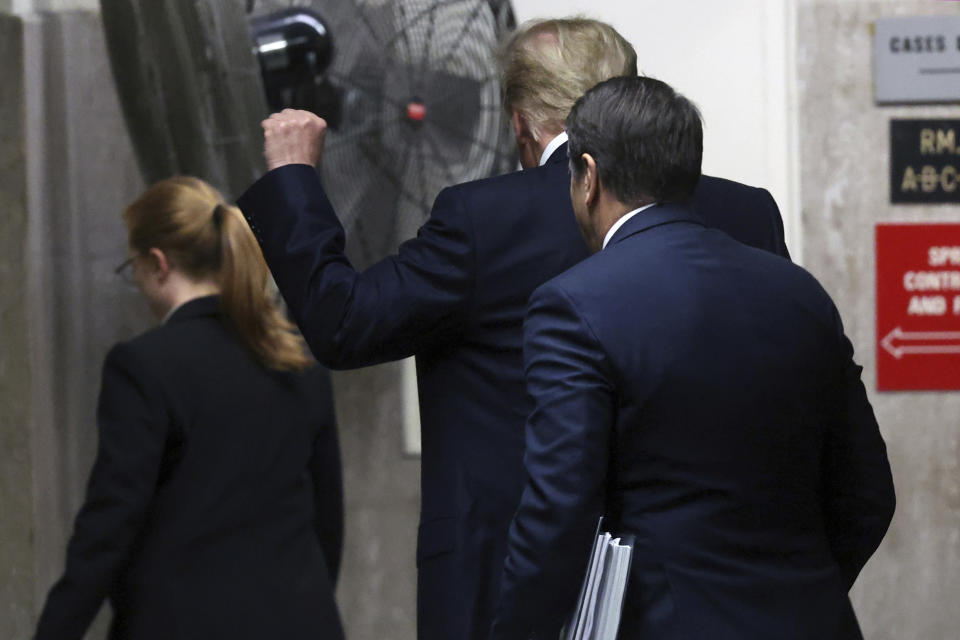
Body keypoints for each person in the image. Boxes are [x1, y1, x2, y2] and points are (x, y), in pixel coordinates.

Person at [237, 18, 790, 640]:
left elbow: (343, 322)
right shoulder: (748, 215)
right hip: (719, 594)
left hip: (507, 584)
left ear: (521, 123)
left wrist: (294, 179)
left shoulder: (484, 219)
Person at [490, 76, 896, 640]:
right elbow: (870, 491)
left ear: (589, 177)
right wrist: (806, 591)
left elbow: (558, 513)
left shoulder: (574, 305)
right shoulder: (800, 293)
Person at [34, 177, 345, 640]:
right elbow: (327, 522)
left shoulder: (144, 366)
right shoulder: (299, 361)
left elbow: (108, 529)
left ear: (158, 264)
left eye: (132, 268)